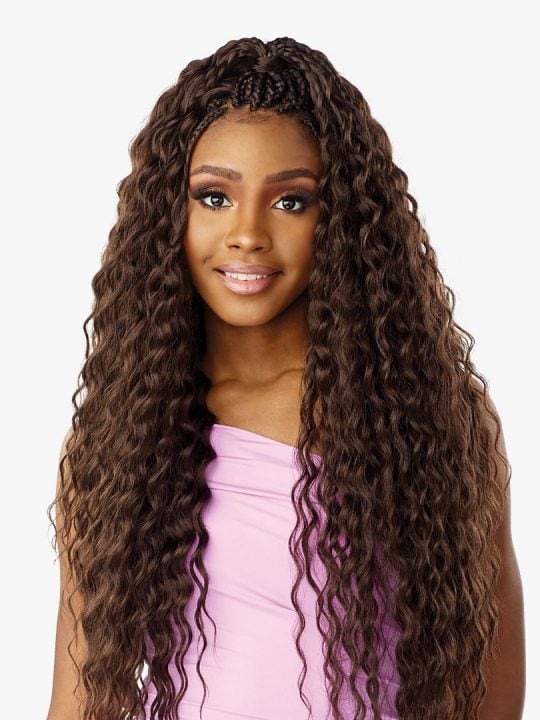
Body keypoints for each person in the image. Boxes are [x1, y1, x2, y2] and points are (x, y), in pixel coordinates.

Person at [46, 36, 525, 720]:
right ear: (169, 213)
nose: (247, 233)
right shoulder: (120, 438)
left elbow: (486, 685)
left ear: (342, 220)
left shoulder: (424, 418)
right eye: (214, 197)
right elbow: (81, 698)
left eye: (291, 202)